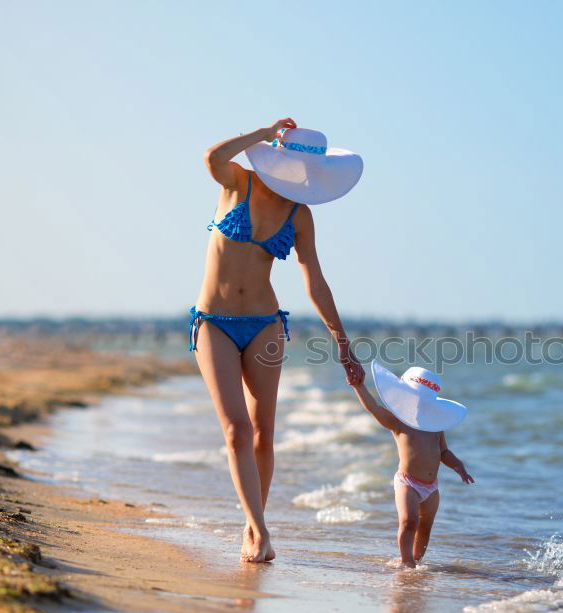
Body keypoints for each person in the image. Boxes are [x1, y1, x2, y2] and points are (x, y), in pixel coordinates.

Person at [192, 118, 365, 562]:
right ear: (279, 157)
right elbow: (212, 157)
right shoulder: (237, 183)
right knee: (236, 429)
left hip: (265, 326)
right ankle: (259, 529)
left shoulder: (299, 214)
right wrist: (262, 133)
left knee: (263, 434)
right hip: (214, 323)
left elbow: (317, 284)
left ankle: (253, 529)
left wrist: (342, 344)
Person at [351, 360, 473, 568]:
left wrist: (458, 466)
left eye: (424, 401)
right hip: (408, 483)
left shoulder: (435, 427)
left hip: (431, 487)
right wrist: (358, 386)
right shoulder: (399, 423)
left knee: (425, 526)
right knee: (409, 522)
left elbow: (443, 451)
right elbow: (374, 408)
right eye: (415, 399)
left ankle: (416, 561)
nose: (419, 404)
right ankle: (406, 561)